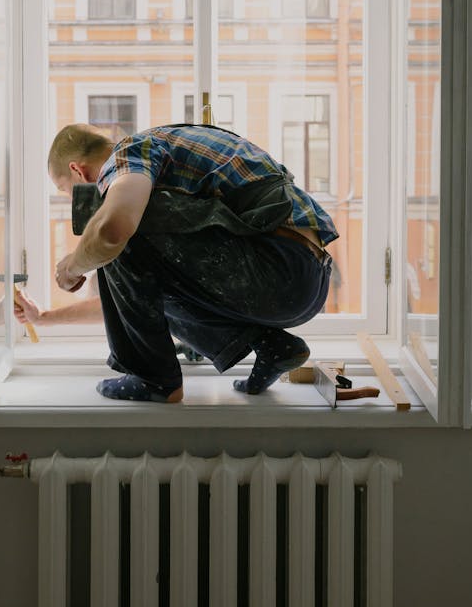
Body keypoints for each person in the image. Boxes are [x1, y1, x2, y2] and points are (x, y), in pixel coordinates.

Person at [49, 122, 338, 404]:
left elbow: (113, 230)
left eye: (67, 190)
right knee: (146, 268)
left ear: (78, 170)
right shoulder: (167, 145)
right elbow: (136, 294)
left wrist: (72, 266)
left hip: (275, 266)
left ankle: (154, 379)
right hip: (308, 279)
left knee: (119, 236)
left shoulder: (129, 152)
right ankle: (270, 344)